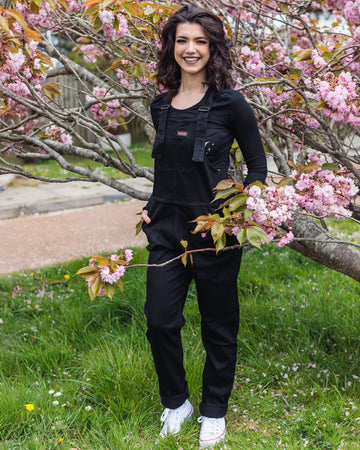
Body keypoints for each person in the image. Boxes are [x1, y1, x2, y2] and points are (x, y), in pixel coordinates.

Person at [140, 5, 267, 448]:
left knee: (218, 324)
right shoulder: (161, 105)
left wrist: (242, 211)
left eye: (199, 41)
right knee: (159, 320)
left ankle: (214, 411)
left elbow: (256, 166)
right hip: (167, 230)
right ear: (171, 47)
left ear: (212, 47)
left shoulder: (230, 103)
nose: (190, 49)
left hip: (217, 231)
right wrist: (151, 205)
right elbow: (166, 170)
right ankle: (176, 403)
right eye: (182, 40)